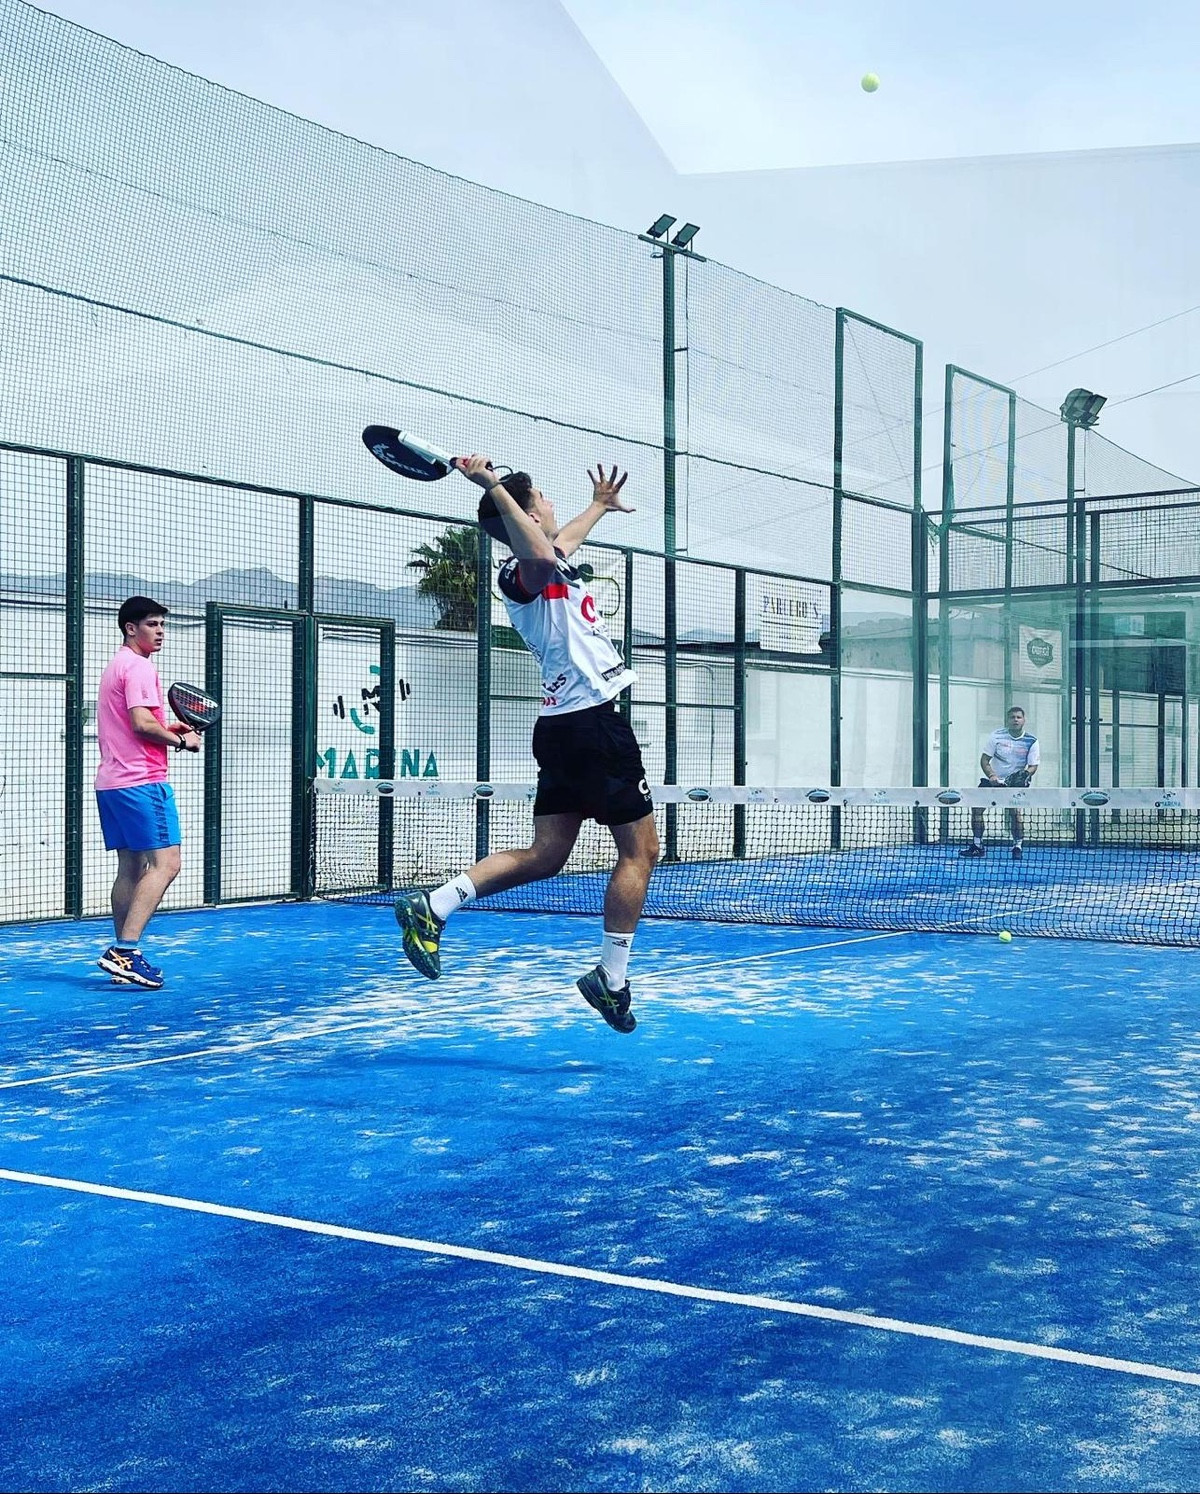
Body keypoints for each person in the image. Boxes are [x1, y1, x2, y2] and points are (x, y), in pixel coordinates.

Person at [394, 455, 659, 1034]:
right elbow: (541, 553)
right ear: (530, 515)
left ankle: (433, 906)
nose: (553, 504)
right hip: (592, 725)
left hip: (563, 727)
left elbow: (561, 542)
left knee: (547, 855)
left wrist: (598, 506)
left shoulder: (544, 559)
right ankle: (612, 979)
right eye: (544, 498)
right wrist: (492, 484)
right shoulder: (522, 573)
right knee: (640, 853)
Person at [94, 597, 201, 988]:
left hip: (112, 784)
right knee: (167, 864)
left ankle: (121, 957)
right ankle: (124, 952)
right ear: (130, 628)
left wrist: (168, 730)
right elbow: (141, 724)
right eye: (152, 624)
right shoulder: (139, 667)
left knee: (131, 867)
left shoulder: (116, 665)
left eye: (162, 625)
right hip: (141, 782)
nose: (160, 632)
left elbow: (134, 726)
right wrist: (182, 741)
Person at [959, 705, 1040, 861]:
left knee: (1015, 813)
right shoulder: (996, 736)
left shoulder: (1032, 741)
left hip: (1015, 785)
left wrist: (1024, 775)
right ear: (1007, 720)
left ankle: (1017, 846)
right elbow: (984, 760)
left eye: (1018, 717)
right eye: (1012, 717)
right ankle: (977, 846)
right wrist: (992, 776)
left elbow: (1033, 766)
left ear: (1024, 720)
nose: (1015, 720)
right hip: (993, 782)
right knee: (976, 809)